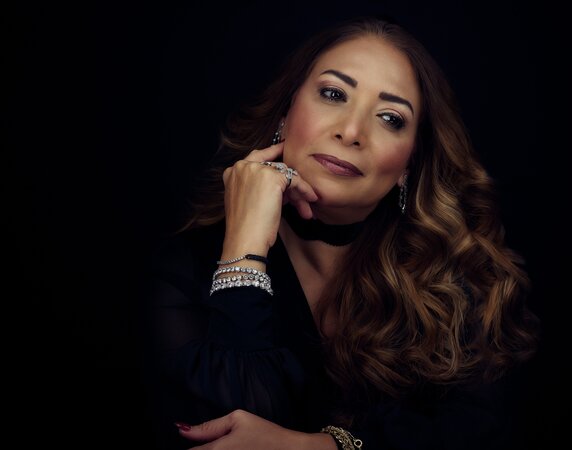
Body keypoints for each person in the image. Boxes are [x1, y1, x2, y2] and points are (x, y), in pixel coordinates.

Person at [142, 15, 540, 450]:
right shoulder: (183, 269)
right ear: (285, 113)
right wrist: (245, 247)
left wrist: (318, 447)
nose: (351, 132)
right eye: (333, 94)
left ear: (408, 163)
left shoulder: (453, 278)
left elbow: (472, 434)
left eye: (390, 118)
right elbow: (227, 433)